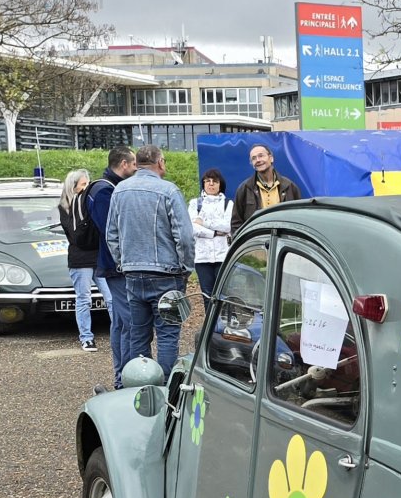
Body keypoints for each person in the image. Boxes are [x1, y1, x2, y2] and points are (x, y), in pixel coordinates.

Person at [106, 143, 194, 376]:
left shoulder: (120, 190)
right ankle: (165, 389)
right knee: (168, 334)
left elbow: (111, 235)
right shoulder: (169, 191)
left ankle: (140, 385)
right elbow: (184, 236)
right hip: (167, 275)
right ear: (160, 162)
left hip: (133, 274)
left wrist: (123, 263)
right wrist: (186, 267)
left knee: (139, 334)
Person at [86, 146, 138, 387]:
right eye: (134, 164)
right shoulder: (105, 191)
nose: (137, 168)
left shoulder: (104, 187)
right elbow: (112, 230)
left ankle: (121, 375)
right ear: (124, 164)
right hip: (114, 265)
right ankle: (126, 377)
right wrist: (122, 260)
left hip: (111, 264)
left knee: (119, 321)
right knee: (128, 321)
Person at [57, 169, 99, 351]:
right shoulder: (65, 208)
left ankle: (120, 332)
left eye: (87, 184)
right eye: (83, 184)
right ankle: (86, 337)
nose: (86, 188)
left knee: (112, 298)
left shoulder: (91, 203)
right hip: (80, 258)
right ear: (72, 187)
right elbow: (75, 236)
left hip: (98, 257)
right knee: (84, 298)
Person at [189, 168, 233, 311]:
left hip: (223, 256)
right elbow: (193, 228)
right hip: (202, 257)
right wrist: (214, 233)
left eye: (215, 181)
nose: (211, 184)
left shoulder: (228, 204)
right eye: (207, 181)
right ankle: (211, 329)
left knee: (224, 294)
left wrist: (205, 222)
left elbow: (227, 226)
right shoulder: (195, 204)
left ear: (221, 184)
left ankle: (226, 327)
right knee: (207, 295)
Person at [231, 144, 301, 232]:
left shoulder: (290, 187)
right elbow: (236, 223)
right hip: (256, 242)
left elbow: (300, 219)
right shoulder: (244, 189)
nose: (258, 160)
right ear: (252, 164)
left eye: (261, 156)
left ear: (271, 158)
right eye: (254, 158)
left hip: (284, 241)